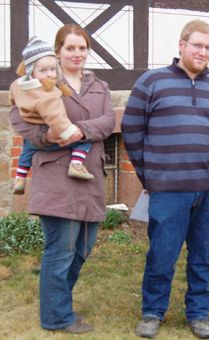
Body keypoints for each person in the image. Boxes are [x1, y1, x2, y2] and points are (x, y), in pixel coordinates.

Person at [121, 20, 209, 339]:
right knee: (161, 254)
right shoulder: (151, 81)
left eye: (208, 48)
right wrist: (150, 176)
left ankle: (198, 313)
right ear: (181, 45)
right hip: (168, 191)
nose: (202, 52)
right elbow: (132, 130)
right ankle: (153, 312)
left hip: (208, 190)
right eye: (197, 45)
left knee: (202, 257)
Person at [9, 24, 115, 334]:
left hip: (90, 172)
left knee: (84, 247)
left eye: (82, 48)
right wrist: (47, 136)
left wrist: (81, 131)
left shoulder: (100, 86)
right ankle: (56, 316)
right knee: (61, 249)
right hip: (56, 175)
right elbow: (18, 117)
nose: (77, 54)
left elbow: (108, 121)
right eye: (70, 48)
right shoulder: (39, 82)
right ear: (58, 52)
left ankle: (59, 303)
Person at [10, 36, 94, 195]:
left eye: (52, 69)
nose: (50, 74)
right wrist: (68, 131)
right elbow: (55, 116)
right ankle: (76, 164)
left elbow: (13, 101)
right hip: (52, 132)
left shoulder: (18, 86)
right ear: (32, 72)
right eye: (43, 71)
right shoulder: (46, 94)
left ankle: (20, 178)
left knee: (26, 150)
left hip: (32, 136)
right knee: (84, 141)